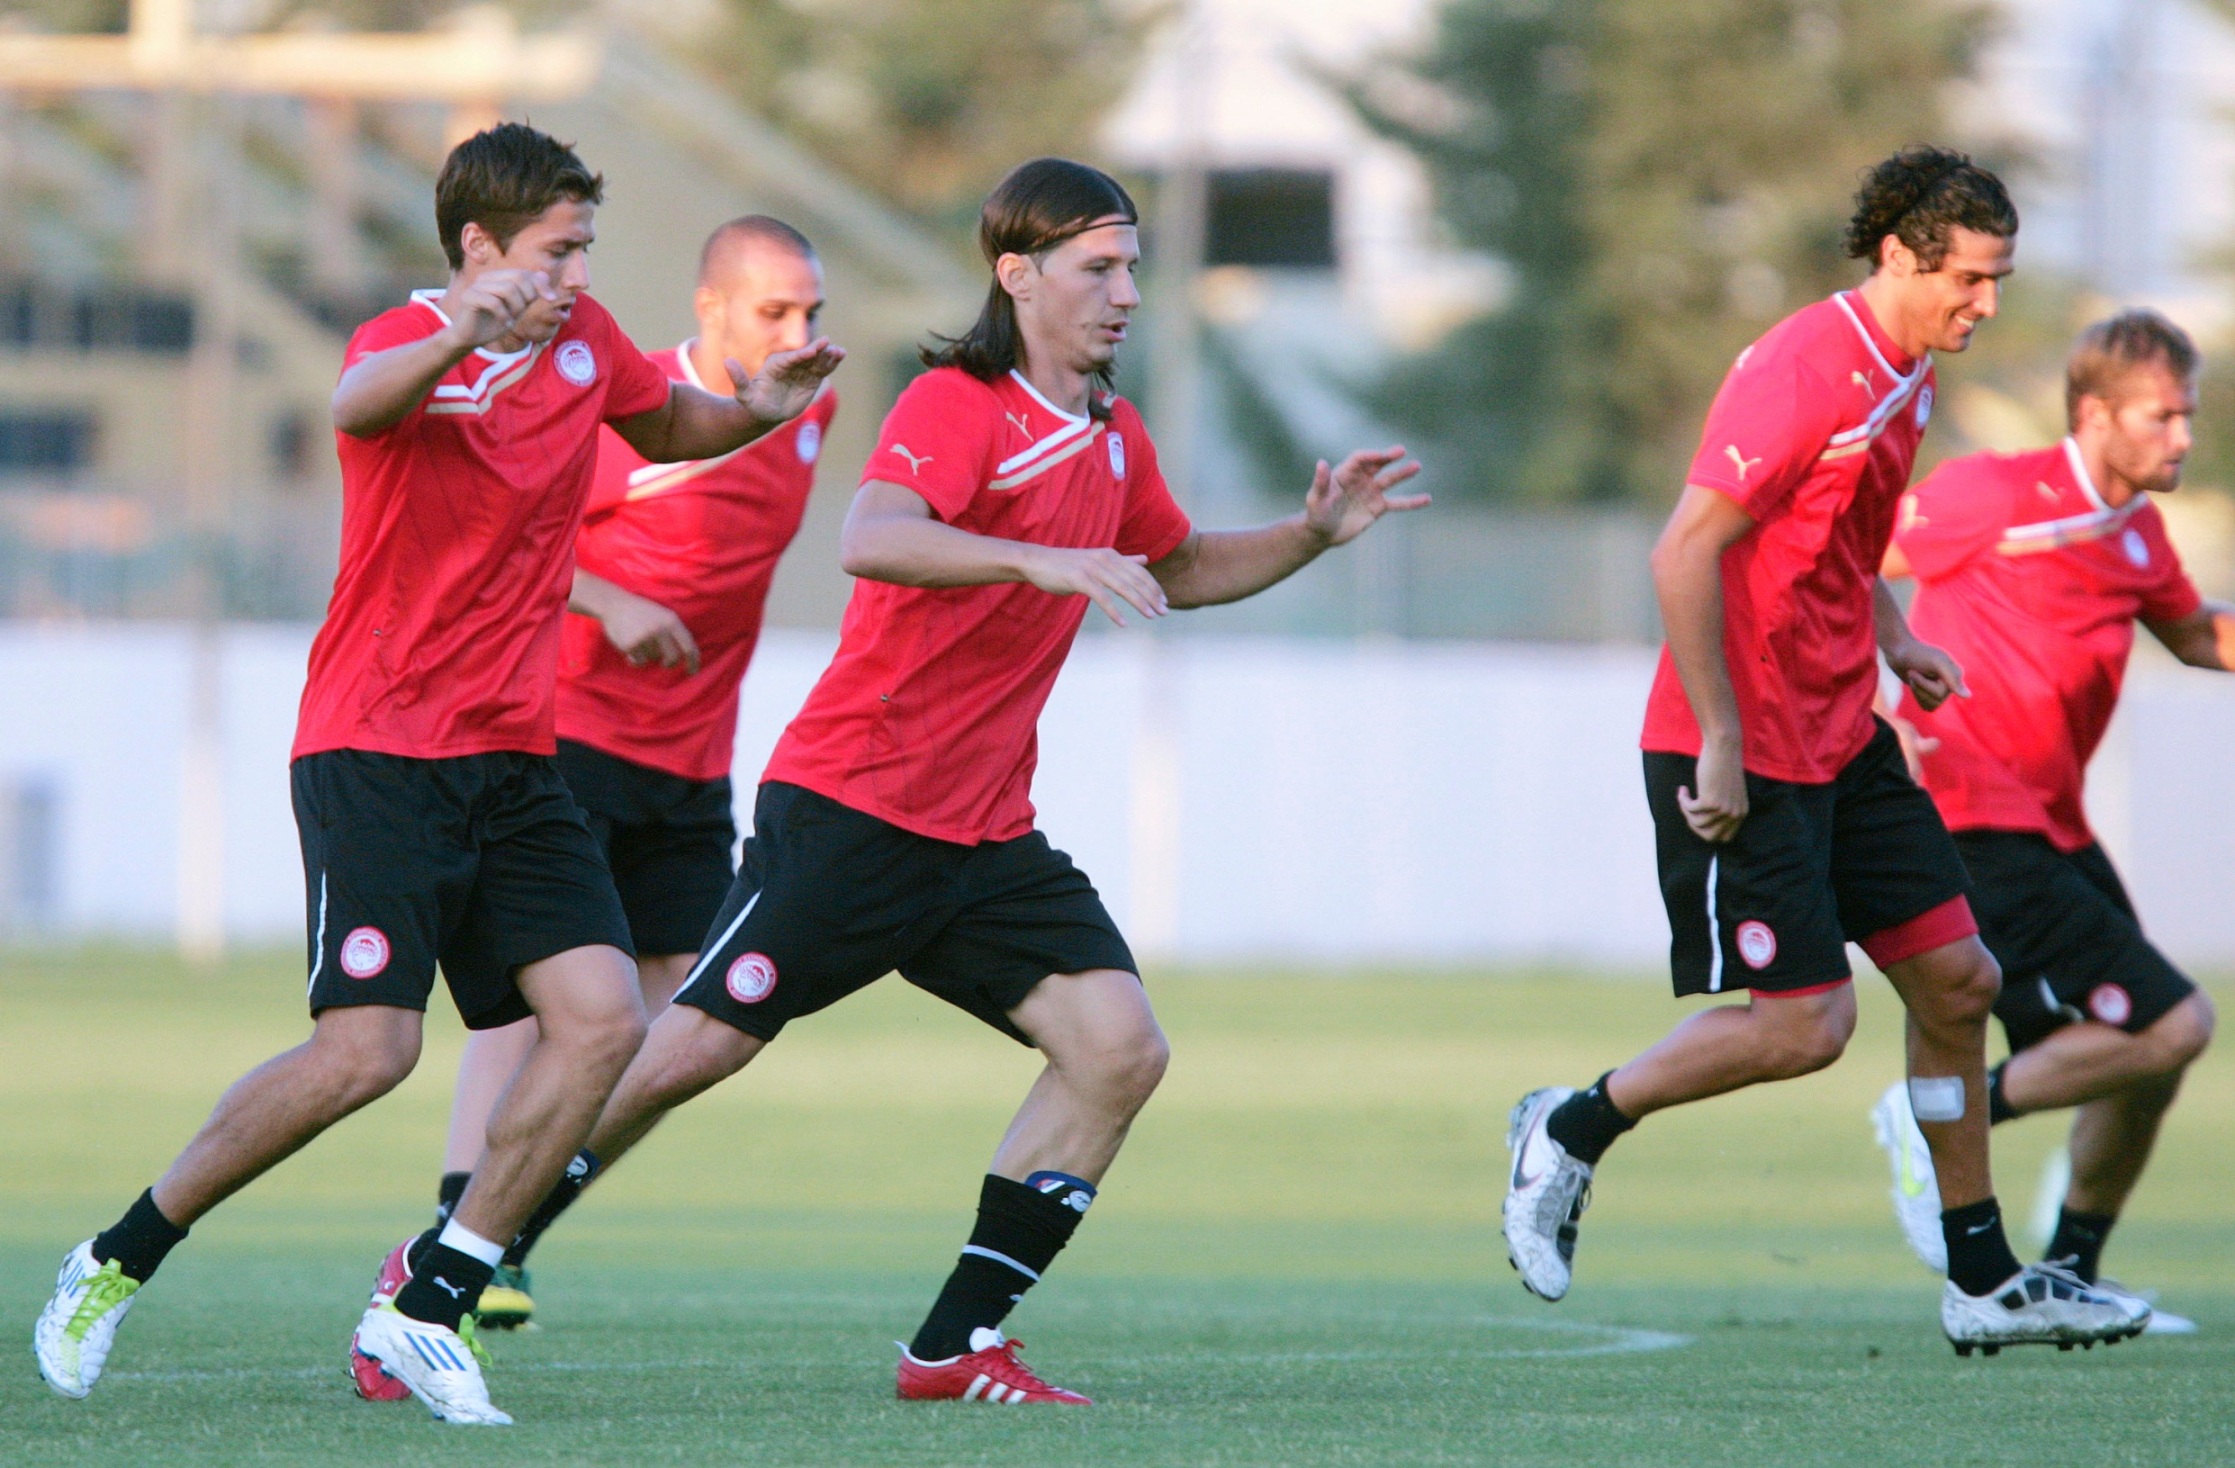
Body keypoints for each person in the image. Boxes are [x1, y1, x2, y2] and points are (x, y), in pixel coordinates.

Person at [427, 156, 1426, 1405]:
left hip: (984, 835)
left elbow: (1174, 564)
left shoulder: (1115, 438)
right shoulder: (960, 403)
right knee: (679, 1053)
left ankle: (952, 1347)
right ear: (1020, 274)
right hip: (852, 808)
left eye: (1130, 266)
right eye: (1098, 267)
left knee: (1117, 1048)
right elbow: (875, 537)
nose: (1125, 290)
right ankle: (451, 1262)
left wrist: (1307, 535)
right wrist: (1044, 564)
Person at [33, 124, 842, 1425]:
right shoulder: (403, 345)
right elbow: (359, 405)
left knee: (603, 1023)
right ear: (477, 246)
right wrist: (466, 330)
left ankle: (430, 1298)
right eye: (556, 248)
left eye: (583, 246)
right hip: (377, 753)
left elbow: (667, 414)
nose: (577, 272)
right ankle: (112, 1258)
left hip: (517, 761)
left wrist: (756, 408)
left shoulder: (585, 343)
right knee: (366, 1056)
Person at [1499, 145, 2151, 1354]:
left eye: (1999, 279)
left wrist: (1894, 638)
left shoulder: (1906, 370)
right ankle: (1571, 1127)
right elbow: (1683, 553)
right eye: (1969, 278)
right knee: (1804, 1026)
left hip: (1842, 728)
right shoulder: (1809, 369)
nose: (1987, 303)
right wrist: (1727, 743)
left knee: (1962, 981)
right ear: (1901, 254)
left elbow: (1841, 545)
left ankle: (1980, 1277)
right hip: (1737, 749)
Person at [389, 215, 838, 1345]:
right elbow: (503, 531)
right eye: (774, 311)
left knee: (663, 1017)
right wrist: (612, 599)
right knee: (534, 990)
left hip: (691, 762)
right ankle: (457, 1223)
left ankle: (508, 1226)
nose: (798, 332)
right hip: (571, 734)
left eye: (812, 313)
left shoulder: (808, 410)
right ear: (711, 310)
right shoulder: (631, 412)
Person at [1868, 310, 2220, 1329]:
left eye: (2187, 416)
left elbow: (2196, 637)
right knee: (2173, 1022)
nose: (2182, 438)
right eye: (2162, 416)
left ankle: (2070, 1269)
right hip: (1970, 814)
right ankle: (1933, 1103)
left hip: (2055, 826)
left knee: (2151, 1062)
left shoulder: (2139, 533)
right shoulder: (1996, 493)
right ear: (2095, 412)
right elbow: (1853, 554)